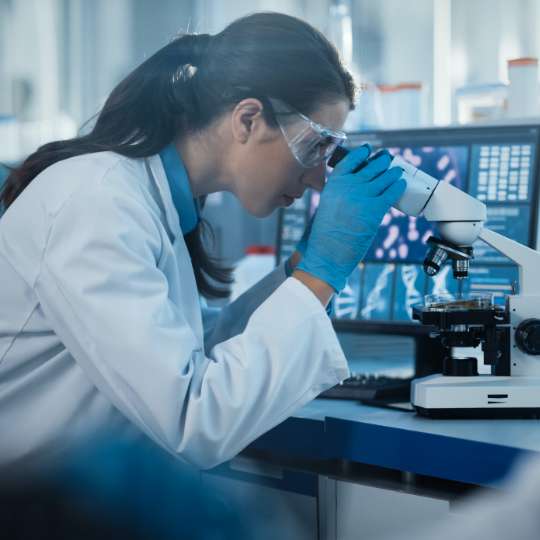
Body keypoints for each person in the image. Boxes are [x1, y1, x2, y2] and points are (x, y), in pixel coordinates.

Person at [0, 12, 405, 469]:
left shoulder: (153, 199)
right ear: (248, 120)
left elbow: (193, 347)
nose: (318, 180)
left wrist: (301, 268)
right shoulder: (98, 203)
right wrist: (319, 276)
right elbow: (193, 419)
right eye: (315, 148)